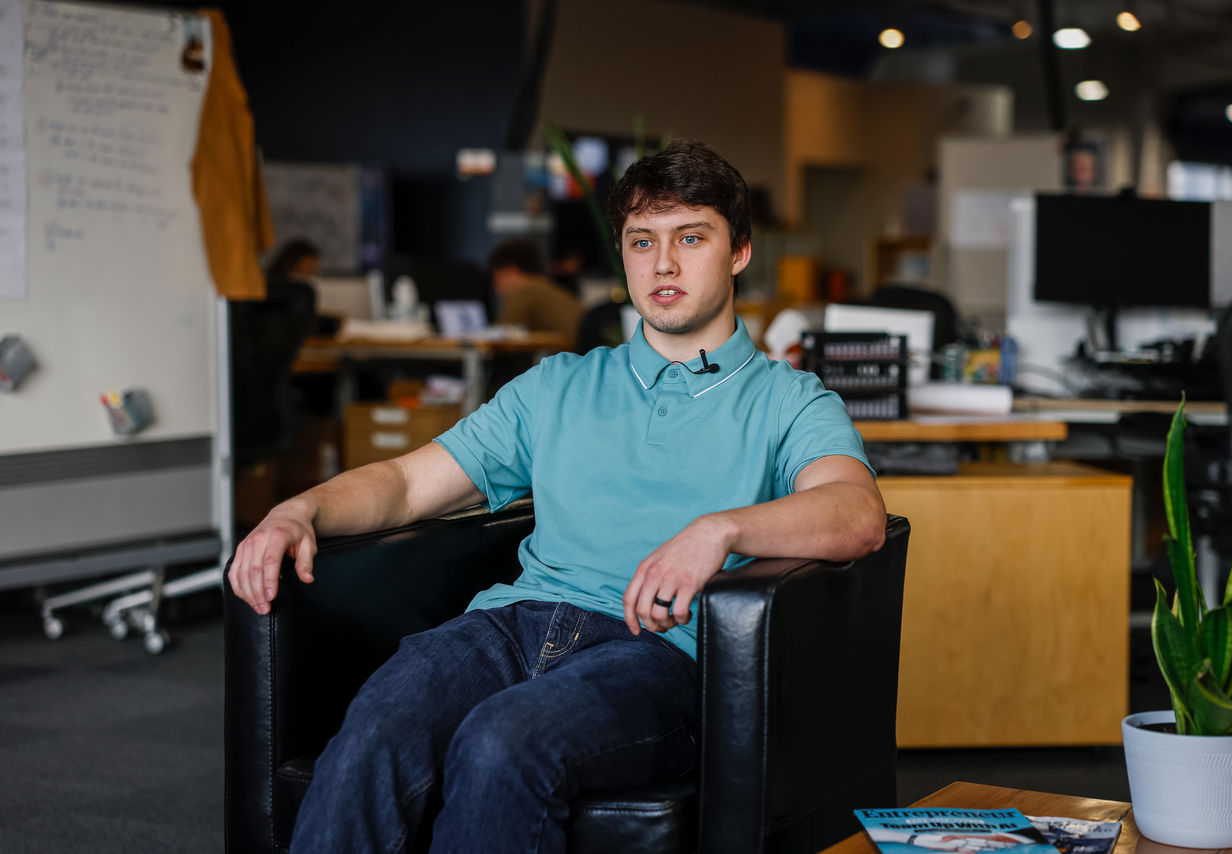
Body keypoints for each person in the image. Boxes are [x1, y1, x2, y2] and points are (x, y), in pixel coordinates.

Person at [227, 139, 886, 852]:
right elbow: (410, 482)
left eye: (690, 237)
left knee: (501, 741)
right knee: (380, 720)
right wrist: (301, 509)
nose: (663, 264)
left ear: (739, 253)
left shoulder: (787, 399)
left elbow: (857, 514)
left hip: (662, 653)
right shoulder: (559, 384)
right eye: (642, 241)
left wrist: (721, 530)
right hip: (512, 624)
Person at [489, 238, 584, 340]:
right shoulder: (548, 287)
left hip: (565, 353)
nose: (497, 290)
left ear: (511, 271)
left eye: (497, 280)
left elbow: (500, 332)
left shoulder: (526, 290)